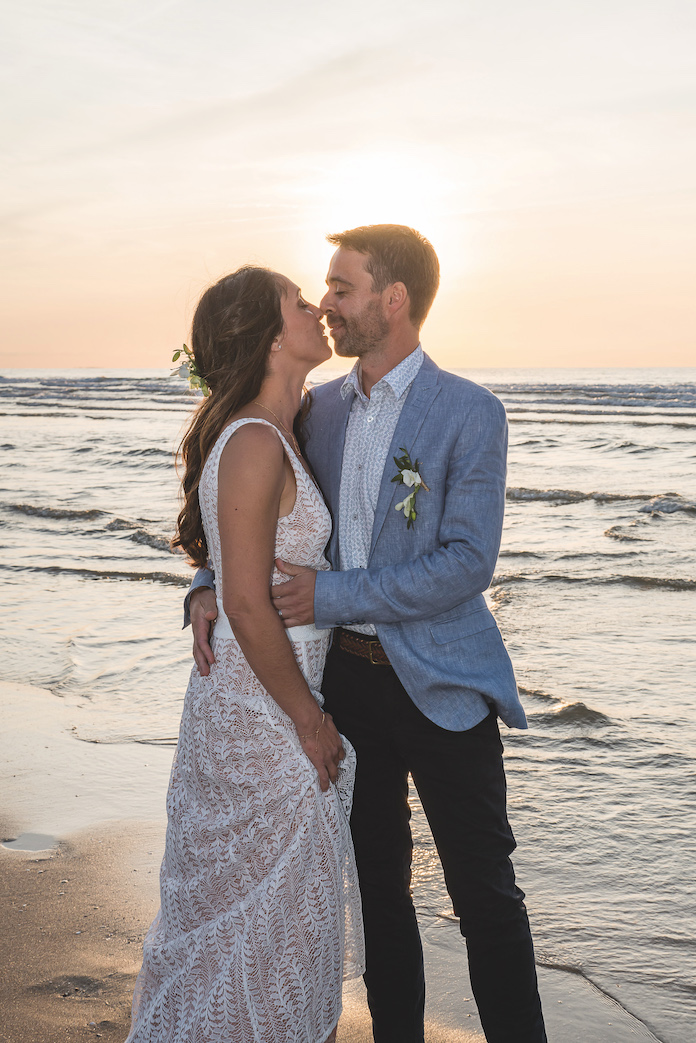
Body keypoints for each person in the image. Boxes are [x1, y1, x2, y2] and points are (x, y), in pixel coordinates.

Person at [189, 226, 547, 1043]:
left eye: (342, 288)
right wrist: (209, 584)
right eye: (321, 290)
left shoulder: (471, 411)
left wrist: (332, 594)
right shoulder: (314, 410)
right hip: (346, 689)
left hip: (446, 687)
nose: (326, 304)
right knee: (379, 892)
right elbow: (256, 515)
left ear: (394, 300)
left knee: (485, 894)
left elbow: (466, 562)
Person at [126, 266, 364, 1043]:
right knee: (258, 928)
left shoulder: (277, 429)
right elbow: (246, 601)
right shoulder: (257, 440)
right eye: (298, 302)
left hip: (263, 702)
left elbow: (230, 573)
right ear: (269, 337)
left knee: (264, 927)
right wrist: (310, 722)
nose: (314, 309)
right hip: (263, 717)